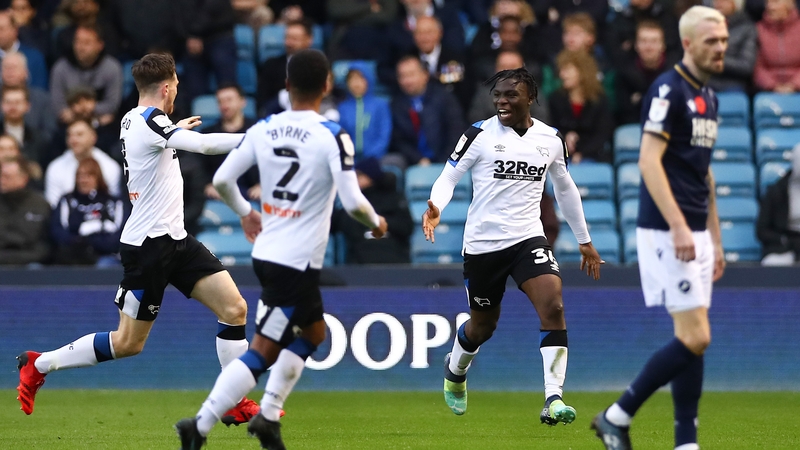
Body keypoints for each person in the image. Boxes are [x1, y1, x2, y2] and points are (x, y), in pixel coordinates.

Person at [16, 53, 260, 427]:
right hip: (148, 248)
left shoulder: (134, 117)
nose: (176, 89)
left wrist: (174, 130)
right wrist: (260, 139)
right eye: (176, 85)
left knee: (235, 309)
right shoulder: (151, 121)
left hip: (176, 239)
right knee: (128, 344)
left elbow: (155, 145)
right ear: (167, 87)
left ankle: (233, 399)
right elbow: (207, 147)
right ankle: (40, 363)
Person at [175, 48, 388, 450]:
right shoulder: (331, 134)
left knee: (313, 332)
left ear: (287, 85)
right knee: (263, 350)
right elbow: (354, 201)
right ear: (327, 86)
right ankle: (199, 425)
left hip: (272, 253)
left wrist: (246, 213)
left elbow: (222, 180)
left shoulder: (263, 128)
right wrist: (377, 224)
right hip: (293, 262)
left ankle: (269, 417)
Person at [421, 67, 603, 425]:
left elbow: (564, 189)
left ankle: (554, 399)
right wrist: (435, 206)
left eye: (510, 95)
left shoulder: (550, 139)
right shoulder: (479, 135)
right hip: (483, 246)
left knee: (553, 304)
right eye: (497, 96)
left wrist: (585, 241)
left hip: (527, 238)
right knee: (482, 327)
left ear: (530, 98)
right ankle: (456, 371)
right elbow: (449, 176)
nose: (502, 101)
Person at [591, 7, 728, 450]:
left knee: (692, 337)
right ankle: (617, 415)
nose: (721, 47)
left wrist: (716, 238)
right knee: (696, 335)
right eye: (712, 40)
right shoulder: (667, 90)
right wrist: (678, 227)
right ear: (687, 43)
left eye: (724, 39)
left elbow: (702, 173)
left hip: (695, 229)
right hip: (667, 229)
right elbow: (648, 161)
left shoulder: (710, 95)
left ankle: (685, 441)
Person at [333, 157, 414, 264]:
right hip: (360, 261)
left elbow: (406, 227)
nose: (356, 180)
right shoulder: (353, 201)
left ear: (371, 176)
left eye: (359, 175)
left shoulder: (394, 199)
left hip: (394, 259)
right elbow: (336, 224)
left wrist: (379, 223)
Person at [389, 55, 464, 167]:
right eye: (402, 76)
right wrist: (418, 159)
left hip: (447, 160)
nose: (407, 81)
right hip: (412, 163)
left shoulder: (444, 98)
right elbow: (399, 141)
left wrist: (444, 160)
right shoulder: (396, 104)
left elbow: (456, 131)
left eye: (411, 75)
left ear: (425, 75)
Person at [50, 157, 125, 266]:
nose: (83, 180)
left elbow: (119, 236)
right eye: (80, 176)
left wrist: (91, 241)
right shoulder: (67, 201)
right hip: (73, 256)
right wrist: (78, 241)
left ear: (98, 177)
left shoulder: (113, 202)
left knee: (104, 265)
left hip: (106, 256)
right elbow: (57, 231)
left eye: (89, 176)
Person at [547, 50, 613, 164]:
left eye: (567, 70)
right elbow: (551, 129)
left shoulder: (599, 100)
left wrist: (582, 152)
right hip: (561, 156)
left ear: (582, 72)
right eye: (561, 70)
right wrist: (565, 137)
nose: (562, 75)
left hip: (594, 156)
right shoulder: (555, 99)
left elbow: (602, 134)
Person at [49, 25, 123, 126]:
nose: (80, 47)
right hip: (68, 126)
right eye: (77, 42)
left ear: (100, 45)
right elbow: (57, 105)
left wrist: (91, 108)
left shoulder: (112, 68)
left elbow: (112, 105)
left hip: (102, 127)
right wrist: (80, 110)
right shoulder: (60, 68)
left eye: (87, 43)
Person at [44, 119, 121, 207]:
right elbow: (53, 206)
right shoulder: (55, 168)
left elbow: (114, 205)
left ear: (93, 137)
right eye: (70, 135)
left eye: (79, 134)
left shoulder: (110, 167)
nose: (73, 140)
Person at [0, 154, 50, 265]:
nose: (2, 180)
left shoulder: (40, 205)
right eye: (1, 176)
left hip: (29, 262)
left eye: (7, 177)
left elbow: (44, 245)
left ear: (23, 179)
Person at [337, 64, 393, 163]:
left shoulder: (380, 105)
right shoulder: (343, 107)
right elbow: (342, 134)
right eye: (352, 79)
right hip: (351, 158)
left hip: (376, 158)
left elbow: (384, 135)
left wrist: (372, 155)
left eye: (360, 78)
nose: (356, 83)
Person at [756, 145, 800, 265]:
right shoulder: (776, 192)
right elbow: (762, 230)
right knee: (772, 263)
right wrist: (783, 240)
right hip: (783, 248)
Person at [753, 0, 800, 93]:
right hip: (767, 90)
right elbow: (757, 67)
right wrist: (773, 86)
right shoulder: (758, 29)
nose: (770, 7)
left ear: (790, 4)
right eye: (768, 2)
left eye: (776, 2)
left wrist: (794, 85)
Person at [709, 0, 756, 92]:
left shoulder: (747, 28)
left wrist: (717, 60)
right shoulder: (705, 26)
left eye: (724, 1)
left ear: (736, 4)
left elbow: (746, 66)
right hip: (706, 83)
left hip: (733, 85)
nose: (719, 3)